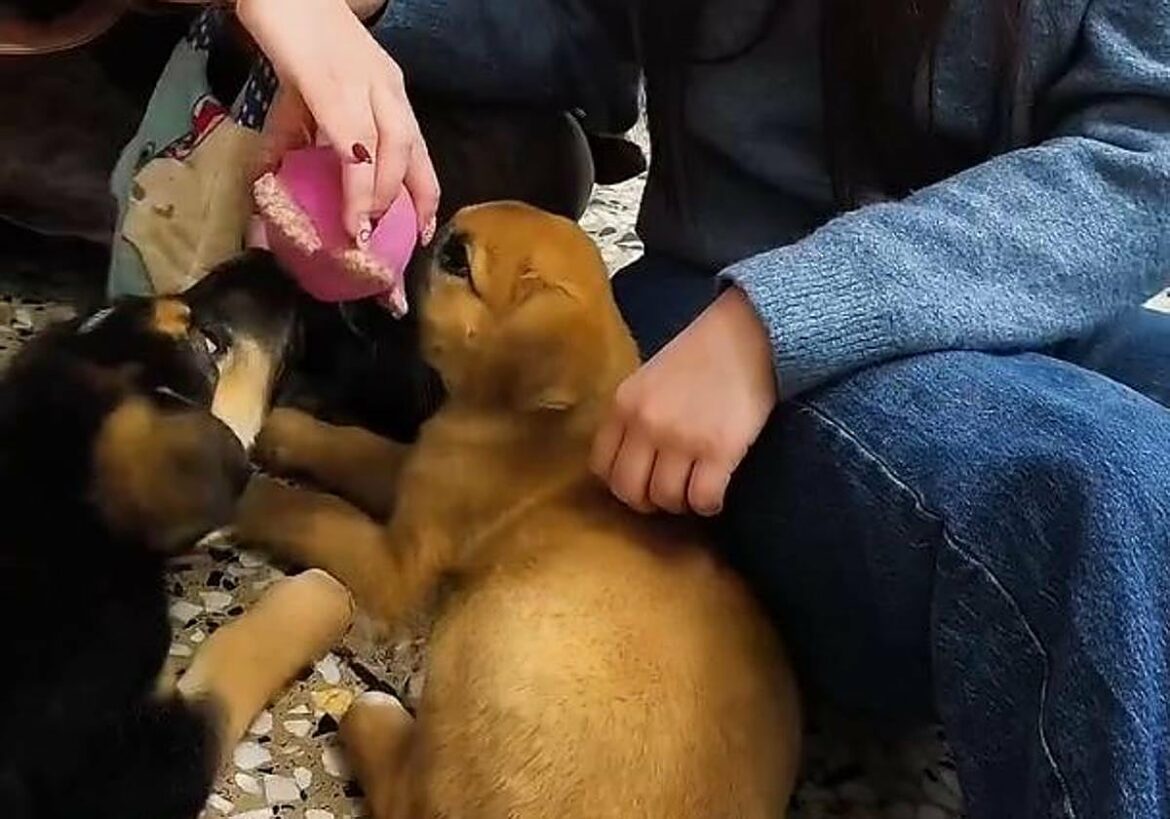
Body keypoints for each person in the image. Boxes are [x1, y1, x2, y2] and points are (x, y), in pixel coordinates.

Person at [89, 0, 1170, 816]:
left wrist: (787, 318)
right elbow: (582, 27)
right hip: (714, 306)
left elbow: (1145, 154)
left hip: (1003, 308)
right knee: (1104, 480)